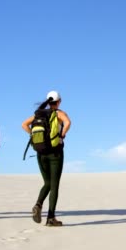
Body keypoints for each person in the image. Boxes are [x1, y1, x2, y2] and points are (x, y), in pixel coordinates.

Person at [21, 90, 71, 226]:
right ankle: (50, 218)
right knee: (54, 185)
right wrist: (62, 135)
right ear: (59, 101)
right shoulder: (59, 113)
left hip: (40, 152)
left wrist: (33, 134)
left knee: (47, 182)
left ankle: (38, 204)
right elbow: (68, 122)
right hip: (55, 153)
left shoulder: (39, 114)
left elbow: (23, 124)